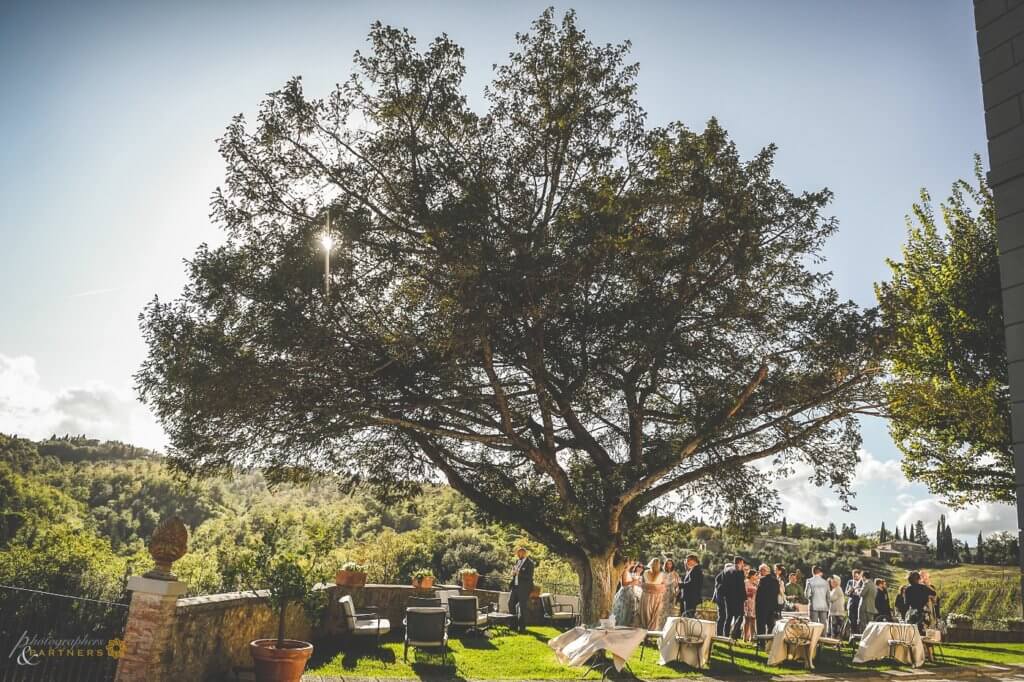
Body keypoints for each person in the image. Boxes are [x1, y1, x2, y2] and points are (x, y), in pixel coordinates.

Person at [508, 546, 535, 632]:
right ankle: (513, 625)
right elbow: (515, 573)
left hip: (524, 589)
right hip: (515, 587)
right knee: (510, 604)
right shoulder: (517, 561)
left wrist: (519, 574)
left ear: (524, 553)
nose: (518, 555)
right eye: (517, 553)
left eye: (519, 553)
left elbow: (529, 577)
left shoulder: (530, 563)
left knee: (523, 608)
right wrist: (513, 573)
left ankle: (522, 628)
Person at [754, 563, 780, 647]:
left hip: (762, 607)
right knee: (770, 625)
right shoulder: (775, 581)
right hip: (772, 606)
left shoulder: (762, 581)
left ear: (763, 571)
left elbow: (759, 595)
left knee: (761, 625)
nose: (759, 572)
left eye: (760, 570)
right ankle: (769, 642)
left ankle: (761, 643)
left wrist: (756, 606)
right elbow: (776, 593)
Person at [638, 557, 667, 630]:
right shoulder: (662, 574)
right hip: (657, 596)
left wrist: (649, 586)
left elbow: (642, 584)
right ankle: (652, 628)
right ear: (659, 565)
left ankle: (645, 627)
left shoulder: (645, 572)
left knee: (646, 611)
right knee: (655, 612)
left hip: (646, 595)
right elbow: (664, 586)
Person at [723, 556, 748, 639]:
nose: (743, 564)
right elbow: (741, 586)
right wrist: (745, 598)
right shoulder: (740, 572)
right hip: (738, 599)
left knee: (728, 617)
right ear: (740, 562)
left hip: (728, 598)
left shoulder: (726, 570)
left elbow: (724, 584)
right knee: (740, 616)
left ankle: (725, 635)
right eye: (743, 563)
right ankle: (734, 635)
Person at [611, 559, 640, 627]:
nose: (633, 563)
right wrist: (633, 582)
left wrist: (634, 581)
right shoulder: (624, 571)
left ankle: (626, 624)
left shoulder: (628, 572)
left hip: (629, 592)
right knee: (623, 609)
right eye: (631, 562)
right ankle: (621, 624)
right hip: (625, 593)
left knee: (628, 609)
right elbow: (624, 584)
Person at [713, 562, 733, 636]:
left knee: (724, 617)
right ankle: (719, 633)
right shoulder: (721, 577)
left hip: (724, 600)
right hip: (721, 600)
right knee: (722, 617)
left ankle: (723, 634)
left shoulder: (724, 576)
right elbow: (718, 589)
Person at [662, 559, 681, 624]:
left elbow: (679, 583)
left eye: (670, 564)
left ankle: (669, 624)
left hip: (672, 593)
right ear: (665, 565)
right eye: (667, 564)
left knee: (671, 609)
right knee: (663, 610)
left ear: (672, 565)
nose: (669, 565)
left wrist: (676, 591)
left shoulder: (675, 574)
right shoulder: (662, 573)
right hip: (664, 593)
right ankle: (662, 626)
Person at [743, 569, 759, 641]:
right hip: (748, 602)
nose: (756, 576)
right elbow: (744, 592)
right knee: (747, 620)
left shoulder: (756, 583)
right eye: (755, 575)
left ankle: (752, 637)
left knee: (753, 620)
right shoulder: (746, 582)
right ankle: (745, 637)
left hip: (754, 603)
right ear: (752, 575)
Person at [845, 569, 863, 633]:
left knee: (857, 619)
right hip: (851, 603)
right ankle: (851, 633)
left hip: (858, 603)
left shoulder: (862, 583)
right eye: (854, 576)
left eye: (856, 576)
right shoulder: (850, 582)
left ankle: (857, 633)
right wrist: (850, 591)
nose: (855, 577)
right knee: (851, 618)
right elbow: (846, 592)